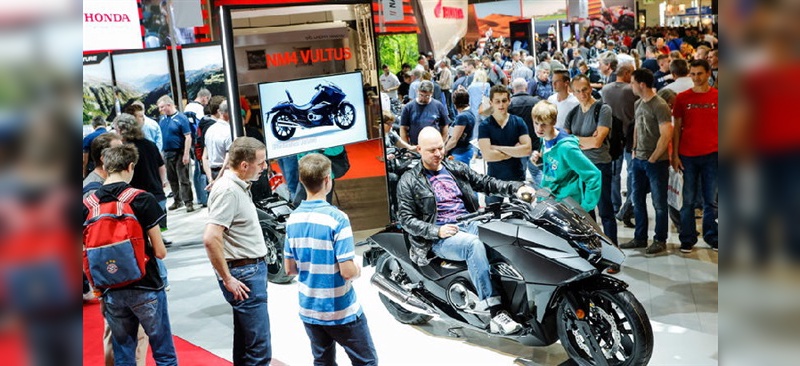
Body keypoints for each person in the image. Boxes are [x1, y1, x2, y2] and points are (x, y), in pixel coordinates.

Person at [397, 127, 535, 335]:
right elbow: (406, 219)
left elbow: (485, 183)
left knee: (509, 237)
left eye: (440, 148)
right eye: (431, 150)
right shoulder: (409, 180)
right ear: (419, 150)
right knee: (473, 246)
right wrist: (436, 230)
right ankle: (495, 312)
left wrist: (516, 188)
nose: (438, 154)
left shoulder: (454, 168)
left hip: (470, 221)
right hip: (441, 236)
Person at [83, 144, 177, 366]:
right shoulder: (141, 199)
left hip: (110, 288)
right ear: (131, 166)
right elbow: (161, 252)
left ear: (105, 165)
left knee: (123, 351)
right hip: (146, 284)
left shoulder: (87, 205)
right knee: (163, 351)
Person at [284, 153, 378, 366]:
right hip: (340, 309)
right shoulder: (337, 218)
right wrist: (357, 269)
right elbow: (347, 271)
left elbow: (289, 269)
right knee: (367, 361)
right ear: (328, 180)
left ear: (301, 180)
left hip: (309, 308)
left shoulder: (293, 219)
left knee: (323, 361)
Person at [203, 137, 272, 365]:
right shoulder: (228, 191)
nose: (264, 167)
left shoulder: (234, 186)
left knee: (245, 343)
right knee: (258, 349)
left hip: (247, 271)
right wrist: (227, 278)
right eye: (261, 163)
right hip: (245, 274)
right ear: (244, 165)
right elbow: (211, 238)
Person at [620, 69, 673, 256]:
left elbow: (667, 133)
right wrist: (634, 151)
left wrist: (654, 157)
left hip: (656, 162)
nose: (630, 86)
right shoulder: (638, 103)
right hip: (639, 160)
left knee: (659, 203)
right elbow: (637, 129)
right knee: (637, 199)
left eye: (632, 82)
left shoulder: (659, 105)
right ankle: (640, 237)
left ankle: (660, 239)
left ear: (641, 84)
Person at [564, 74, 618, 245]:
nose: (582, 94)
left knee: (605, 210)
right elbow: (566, 142)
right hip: (580, 168)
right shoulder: (573, 113)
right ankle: (593, 247)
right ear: (572, 92)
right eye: (578, 91)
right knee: (585, 212)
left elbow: (597, 141)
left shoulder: (602, 109)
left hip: (599, 167)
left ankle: (612, 250)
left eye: (585, 89)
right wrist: (584, 140)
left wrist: (576, 139)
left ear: (591, 88)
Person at [672, 60, 719, 253]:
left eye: (700, 73)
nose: (696, 77)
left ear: (708, 74)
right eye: (693, 74)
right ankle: (687, 238)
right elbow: (677, 129)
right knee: (688, 200)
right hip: (687, 155)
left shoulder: (719, 96)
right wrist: (674, 155)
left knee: (711, 200)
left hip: (713, 155)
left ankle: (713, 236)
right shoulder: (682, 98)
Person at [532, 100, 601, 212]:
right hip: (548, 202)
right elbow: (554, 171)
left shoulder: (567, 147)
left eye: (544, 124)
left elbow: (594, 175)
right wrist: (540, 162)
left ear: (553, 122)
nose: (539, 128)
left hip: (567, 207)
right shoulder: (544, 139)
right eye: (536, 123)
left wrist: (585, 207)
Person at [478, 85, 532, 205]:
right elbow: (488, 155)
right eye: (497, 101)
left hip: (517, 177)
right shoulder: (485, 126)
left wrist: (497, 148)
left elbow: (527, 150)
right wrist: (515, 151)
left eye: (504, 101)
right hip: (494, 179)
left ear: (509, 101)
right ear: (491, 102)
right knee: (493, 219)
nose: (501, 105)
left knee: (520, 215)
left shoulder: (518, 122)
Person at [601, 64, 638, 216]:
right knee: (631, 171)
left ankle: (615, 205)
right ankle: (629, 205)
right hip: (630, 136)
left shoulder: (605, 89)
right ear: (627, 73)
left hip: (611, 136)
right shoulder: (631, 90)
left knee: (614, 173)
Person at [157, 95, 195, 212]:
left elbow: (188, 137)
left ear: (169, 105)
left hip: (180, 152)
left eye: (162, 107)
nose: (160, 109)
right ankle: (177, 200)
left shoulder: (181, 118)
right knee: (172, 178)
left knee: (183, 178)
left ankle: (188, 201)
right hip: (167, 153)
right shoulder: (162, 119)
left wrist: (186, 154)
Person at [507, 78, 543, 187]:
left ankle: (521, 199)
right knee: (537, 172)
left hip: (518, 145)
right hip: (535, 143)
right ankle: (544, 198)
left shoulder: (510, 104)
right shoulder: (536, 102)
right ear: (526, 88)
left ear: (513, 89)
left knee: (519, 173)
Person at [399, 80, 450, 146]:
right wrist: (407, 147)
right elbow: (403, 128)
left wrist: (442, 144)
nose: (423, 99)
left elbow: (445, 126)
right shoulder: (408, 107)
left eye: (427, 96)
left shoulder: (438, 106)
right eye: (421, 95)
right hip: (416, 146)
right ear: (417, 91)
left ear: (431, 93)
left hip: (434, 145)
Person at [203, 99, 233, 183]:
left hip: (211, 173)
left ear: (219, 112)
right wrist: (217, 180)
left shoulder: (209, 130)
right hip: (225, 174)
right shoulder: (229, 132)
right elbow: (227, 160)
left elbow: (204, 157)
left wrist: (210, 179)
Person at [444, 89, 476, 166]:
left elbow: (454, 140)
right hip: (465, 150)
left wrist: (444, 150)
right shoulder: (470, 113)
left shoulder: (462, 117)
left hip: (460, 153)